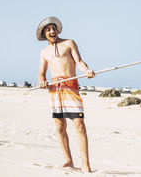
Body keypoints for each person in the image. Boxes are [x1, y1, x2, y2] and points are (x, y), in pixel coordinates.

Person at [37, 16, 95, 173]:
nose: (52, 31)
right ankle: (68, 160)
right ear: (44, 34)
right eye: (48, 30)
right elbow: (41, 74)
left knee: (79, 124)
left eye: (53, 28)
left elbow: (80, 62)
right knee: (60, 126)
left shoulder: (69, 43)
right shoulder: (44, 52)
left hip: (70, 86)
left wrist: (87, 71)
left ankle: (85, 164)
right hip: (55, 89)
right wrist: (42, 81)